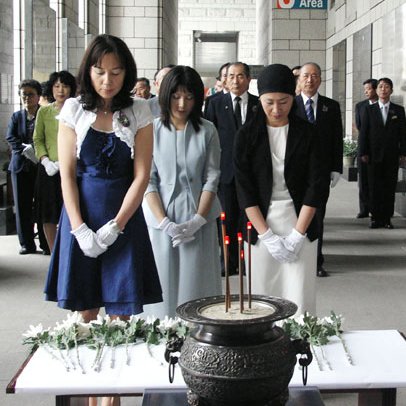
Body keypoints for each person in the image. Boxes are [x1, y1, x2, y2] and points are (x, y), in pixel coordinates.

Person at [44, 34, 163, 323]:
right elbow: (67, 175)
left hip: (124, 215)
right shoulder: (74, 109)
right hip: (82, 212)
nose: (107, 81)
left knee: (121, 311)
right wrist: (79, 229)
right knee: (85, 309)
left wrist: (117, 226)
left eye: (116, 72)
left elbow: (141, 176)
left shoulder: (139, 110)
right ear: (88, 72)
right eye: (100, 72)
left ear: (127, 73)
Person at [234, 64, 322, 316]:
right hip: (260, 225)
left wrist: (298, 234)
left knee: (299, 294)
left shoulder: (309, 133)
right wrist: (268, 236)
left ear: (293, 97)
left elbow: (315, 186)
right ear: (259, 99)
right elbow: (245, 190)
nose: (276, 109)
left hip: (300, 222)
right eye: (269, 102)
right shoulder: (246, 135)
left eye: (283, 102)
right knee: (262, 296)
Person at [141, 66, 222, 318]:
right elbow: (148, 180)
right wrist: (163, 222)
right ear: (165, 96)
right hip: (160, 218)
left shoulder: (207, 130)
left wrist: (198, 220)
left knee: (197, 282)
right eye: (176, 96)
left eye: (189, 97)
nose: (182, 104)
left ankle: (199, 334)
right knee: (161, 282)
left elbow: (211, 177)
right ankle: (160, 331)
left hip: (198, 217)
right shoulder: (151, 129)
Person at [205, 62, 260, 275]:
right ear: (225, 80)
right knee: (226, 219)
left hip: (251, 173)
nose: (235, 81)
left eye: (240, 76)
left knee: (248, 218)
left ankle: (246, 261)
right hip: (225, 171)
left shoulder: (258, 104)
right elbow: (209, 138)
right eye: (231, 76)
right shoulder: (214, 104)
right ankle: (227, 261)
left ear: (248, 79)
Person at [294, 62, 343, 278]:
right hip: (295, 172)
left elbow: (336, 139)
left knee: (317, 217)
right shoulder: (291, 104)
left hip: (321, 172)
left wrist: (336, 167)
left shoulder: (331, 106)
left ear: (320, 80)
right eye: (305, 76)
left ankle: (316, 261)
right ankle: (296, 258)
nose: (309, 80)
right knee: (296, 216)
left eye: (314, 76)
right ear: (299, 79)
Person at [33, 70, 77, 253]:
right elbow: (38, 139)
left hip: (72, 167)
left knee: (70, 210)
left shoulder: (78, 110)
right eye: (57, 86)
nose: (61, 90)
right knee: (48, 214)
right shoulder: (44, 111)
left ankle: (69, 251)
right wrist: (45, 161)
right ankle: (53, 253)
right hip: (49, 169)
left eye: (65, 86)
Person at [7, 79, 49, 255]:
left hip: (40, 166)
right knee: (22, 205)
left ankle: (45, 243)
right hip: (20, 166)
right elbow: (11, 137)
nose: (27, 98)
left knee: (41, 205)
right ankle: (26, 243)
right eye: (24, 94)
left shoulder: (45, 114)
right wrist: (24, 149)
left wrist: (35, 149)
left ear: (38, 96)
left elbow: (48, 137)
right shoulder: (17, 117)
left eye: (31, 94)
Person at [359, 77, 406, 229]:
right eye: (380, 86)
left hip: (391, 155)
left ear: (391, 91)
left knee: (389, 187)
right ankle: (375, 218)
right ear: (376, 90)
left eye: (386, 87)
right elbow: (364, 133)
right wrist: (363, 152)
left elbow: (402, 134)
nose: (383, 89)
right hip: (373, 155)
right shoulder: (369, 110)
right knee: (374, 187)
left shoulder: (398, 110)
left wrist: (403, 153)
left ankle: (387, 218)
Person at [354, 78, 378, 219]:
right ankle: (364, 209)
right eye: (365, 90)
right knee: (363, 181)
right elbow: (359, 127)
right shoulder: (360, 106)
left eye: (369, 89)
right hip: (364, 147)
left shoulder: (383, 106)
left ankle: (377, 209)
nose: (366, 92)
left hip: (379, 150)